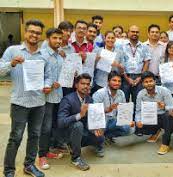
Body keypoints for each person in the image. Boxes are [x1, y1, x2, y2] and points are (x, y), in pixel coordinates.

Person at [0, 19, 51, 177]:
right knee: (16, 137)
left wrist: (47, 85)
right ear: (25, 32)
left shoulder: (44, 55)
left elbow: (48, 76)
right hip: (20, 102)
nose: (34, 35)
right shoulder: (13, 51)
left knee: (35, 135)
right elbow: (1, 70)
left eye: (38, 33)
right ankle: (9, 170)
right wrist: (12, 63)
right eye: (32, 31)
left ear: (40, 36)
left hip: (39, 103)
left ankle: (29, 165)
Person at [57, 73, 105, 171]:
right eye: (83, 83)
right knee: (78, 125)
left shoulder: (89, 99)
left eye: (88, 84)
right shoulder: (67, 99)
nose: (85, 86)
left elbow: (90, 120)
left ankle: (75, 146)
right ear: (76, 85)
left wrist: (95, 128)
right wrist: (80, 115)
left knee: (100, 137)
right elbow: (61, 122)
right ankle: (75, 158)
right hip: (67, 134)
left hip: (81, 132)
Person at [38, 28, 64, 170]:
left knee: (53, 126)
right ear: (48, 39)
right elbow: (36, 76)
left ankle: (47, 151)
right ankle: (41, 156)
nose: (58, 41)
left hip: (57, 97)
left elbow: (62, 75)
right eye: (55, 38)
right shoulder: (42, 55)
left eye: (60, 38)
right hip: (45, 98)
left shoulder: (59, 56)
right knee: (45, 127)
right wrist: (46, 85)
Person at [135, 71, 173, 155]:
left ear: (155, 81)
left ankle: (165, 143)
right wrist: (138, 121)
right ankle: (156, 131)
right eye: (146, 82)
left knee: (168, 116)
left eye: (150, 81)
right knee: (137, 127)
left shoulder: (164, 91)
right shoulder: (141, 94)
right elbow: (138, 110)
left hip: (164, 118)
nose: (149, 84)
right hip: (151, 118)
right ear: (142, 84)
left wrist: (164, 107)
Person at [93, 71, 134, 143]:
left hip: (113, 120)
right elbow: (94, 113)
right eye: (114, 80)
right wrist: (107, 109)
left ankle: (108, 135)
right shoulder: (99, 93)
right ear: (108, 81)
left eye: (119, 81)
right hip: (102, 121)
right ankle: (99, 138)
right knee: (98, 134)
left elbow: (123, 112)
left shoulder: (121, 93)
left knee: (131, 129)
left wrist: (128, 120)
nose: (117, 83)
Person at [120, 25, 151, 107]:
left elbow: (146, 62)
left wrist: (140, 77)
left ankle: (137, 119)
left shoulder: (144, 46)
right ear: (128, 33)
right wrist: (126, 78)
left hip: (139, 78)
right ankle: (126, 120)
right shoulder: (122, 46)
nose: (135, 33)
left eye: (137, 32)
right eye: (133, 31)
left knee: (138, 102)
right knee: (124, 102)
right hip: (125, 77)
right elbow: (120, 63)